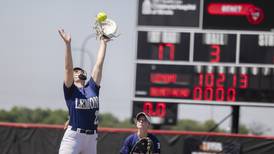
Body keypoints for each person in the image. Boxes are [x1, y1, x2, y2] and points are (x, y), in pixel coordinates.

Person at [58, 28, 110, 154]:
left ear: (84, 74)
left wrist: (103, 42)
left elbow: (99, 64)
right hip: (74, 137)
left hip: (91, 138)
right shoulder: (70, 90)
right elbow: (67, 68)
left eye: (79, 71)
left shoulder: (92, 87)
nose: (76, 72)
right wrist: (68, 45)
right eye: (75, 72)